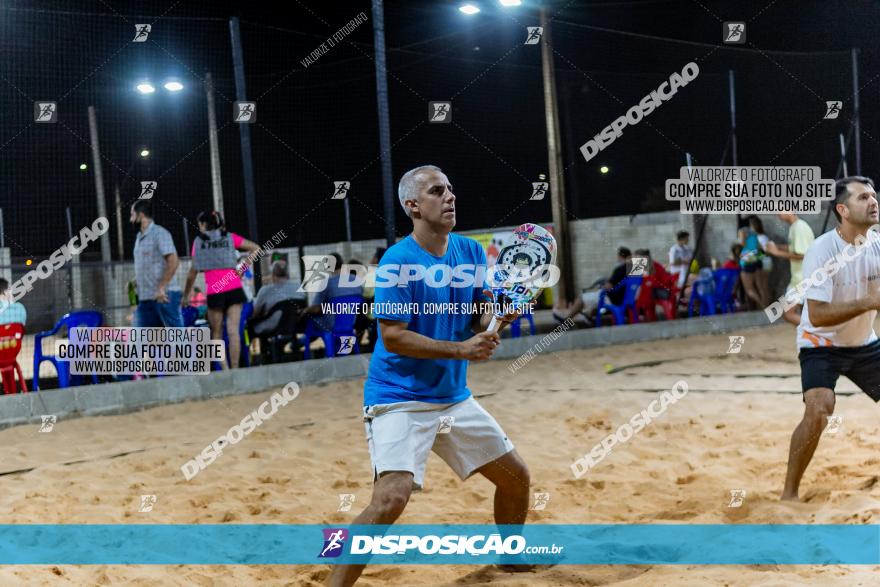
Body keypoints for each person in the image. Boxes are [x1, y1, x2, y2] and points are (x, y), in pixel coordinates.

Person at [327, 165, 527, 587]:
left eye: (452, 188)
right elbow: (394, 337)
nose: (450, 196)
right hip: (398, 396)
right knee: (390, 499)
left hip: (452, 397)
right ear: (413, 206)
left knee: (517, 479)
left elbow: (478, 315)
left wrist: (497, 319)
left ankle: (509, 559)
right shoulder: (398, 261)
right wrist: (462, 349)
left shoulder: (471, 252)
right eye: (438, 191)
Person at [781, 176, 880, 501]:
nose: (873, 201)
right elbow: (819, 314)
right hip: (820, 344)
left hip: (864, 343)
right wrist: (867, 302)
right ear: (843, 210)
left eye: (873, 196)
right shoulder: (822, 249)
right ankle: (790, 494)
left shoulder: (876, 245)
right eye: (863, 197)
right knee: (820, 408)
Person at [183, 210, 260, 369]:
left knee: (216, 334)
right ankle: (235, 370)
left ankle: (225, 371)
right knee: (234, 332)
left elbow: (192, 273)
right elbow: (256, 248)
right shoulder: (229, 237)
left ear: (204, 224)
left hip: (215, 291)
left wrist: (185, 296)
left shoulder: (199, 242)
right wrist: (241, 269)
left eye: (200, 225)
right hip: (234, 288)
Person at [130, 200, 183, 328]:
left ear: (140, 215)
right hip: (145, 299)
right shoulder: (139, 238)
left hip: (164, 297)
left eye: (132, 215)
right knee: (139, 342)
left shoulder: (160, 233)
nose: (130, 219)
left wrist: (161, 287)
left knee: (177, 342)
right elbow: (149, 263)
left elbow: (174, 261)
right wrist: (137, 280)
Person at [553, 247, 632, 325]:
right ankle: (589, 318)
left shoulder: (620, 269)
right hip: (626, 299)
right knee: (593, 303)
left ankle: (566, 320)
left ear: (620, 256)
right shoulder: (634, 270)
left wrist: (602, 287)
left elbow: (608, 286)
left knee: (582, 298)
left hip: (613, 299)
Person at [766, 213, 816, 326]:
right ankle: (816, 335)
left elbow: (802, 254)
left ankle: (818, 333)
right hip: (799, 278)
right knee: (799, 313)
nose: (778, 213)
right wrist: (778, 247)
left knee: (788, 313)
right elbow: (795, 248)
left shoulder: (799, 227)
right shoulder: (795, 226)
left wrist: (777, 252)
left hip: (802, 278)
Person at [304, 252, 364, 335]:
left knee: (311, 320)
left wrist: (304, 310)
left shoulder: (327, 283)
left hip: (332, 324)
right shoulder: (356, 280)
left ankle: (300, 343)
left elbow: (316, 309)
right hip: (353, 322)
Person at [249, 260, 305, 335]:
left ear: (272, 274)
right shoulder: (299, 287)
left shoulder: (265, 290)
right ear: (288, 274)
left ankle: (262, 346)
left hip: (273, 325)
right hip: (296, 324)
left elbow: (255, 313)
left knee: (249, 327)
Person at [738, 216, 770, 309]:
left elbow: (742, 244)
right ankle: (766, 306)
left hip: (747, 261)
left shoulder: (742, 231)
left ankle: (762, 305)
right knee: (761, 287)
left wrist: (743, 255)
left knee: (749, 289)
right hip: (757, 259)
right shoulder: (755, 233)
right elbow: (760, 248)